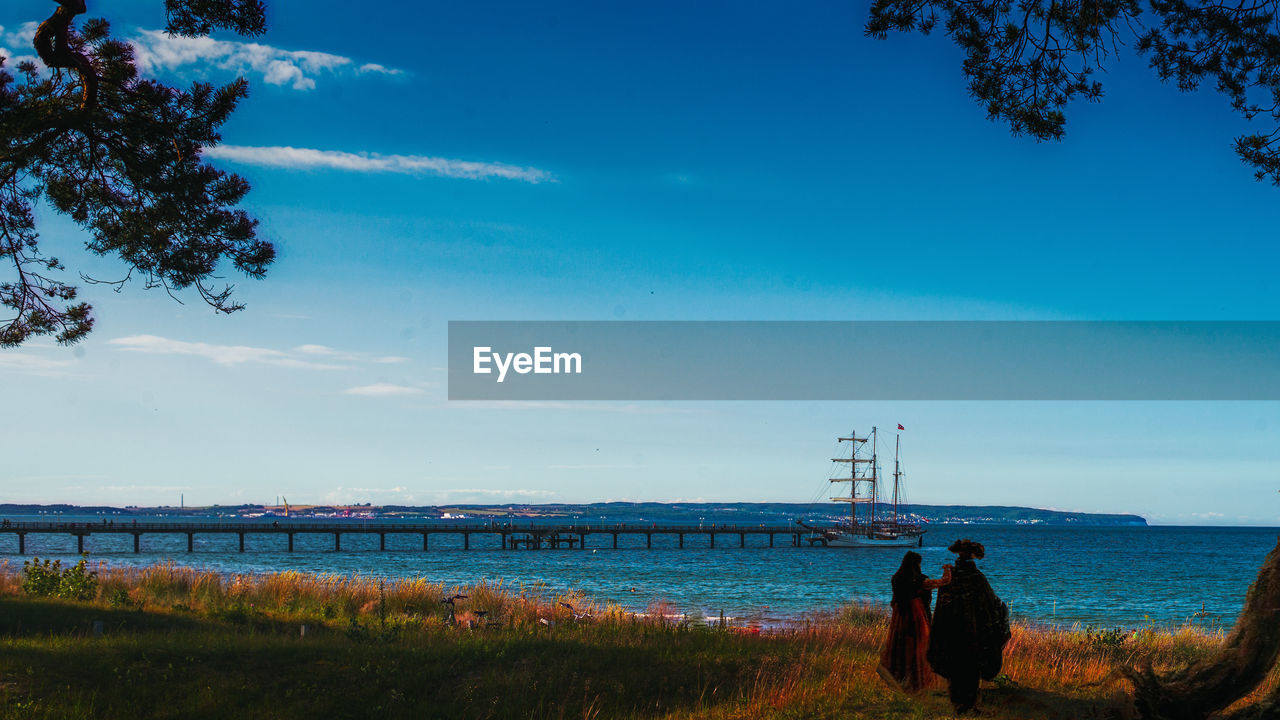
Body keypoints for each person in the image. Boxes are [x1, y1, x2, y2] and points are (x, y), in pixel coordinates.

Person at [927, 539, 1011, 715]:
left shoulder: (949, 577)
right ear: (973, 556)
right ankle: (968, 705)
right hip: (972, 632)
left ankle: (958, 704)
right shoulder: (977, 578)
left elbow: (942, 605)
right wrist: (1001, 612)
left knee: (956, 667)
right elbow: (990, 602)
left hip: (951, 630)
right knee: (970, 667)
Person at [878, 551, 952, 692]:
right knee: (920, 645)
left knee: (902, 646)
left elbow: (894, 600)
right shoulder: (919, 581)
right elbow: (944, 582)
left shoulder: (896, 579)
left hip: (900, 616)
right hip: (916, 614)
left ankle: (902, 679)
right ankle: (918, 682)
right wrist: (947, 569)